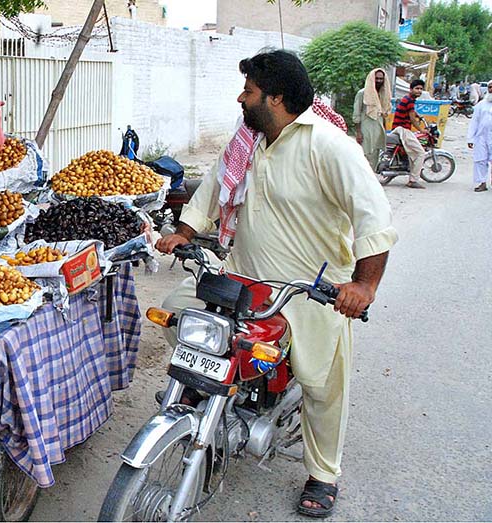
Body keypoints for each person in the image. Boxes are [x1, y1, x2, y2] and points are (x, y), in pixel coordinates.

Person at [156, 50, 397, 519]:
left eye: (248, 91)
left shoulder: (329, 146)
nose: (240, 98)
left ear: (276, 98)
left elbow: (376, 217)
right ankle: (212, 398)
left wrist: (363, 286)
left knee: (322, 383)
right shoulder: (251, 139)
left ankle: (323, 473)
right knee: (176, 310)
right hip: (242, 278)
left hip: (308, 291)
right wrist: (185, 232)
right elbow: (211, 187)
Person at [391, 79, 428, 189]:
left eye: (421, 89)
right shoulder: (410, 101)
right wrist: (421, 130)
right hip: (403, 129)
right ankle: (413, 180)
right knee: (420, 153)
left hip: (398, 128)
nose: (419, 91)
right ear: (411, 89)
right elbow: (411, 118)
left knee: (414, 152)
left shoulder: (408, 99)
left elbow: (411, 112)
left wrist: (418, 116)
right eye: (417, 88)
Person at [353, 68, 392, 168]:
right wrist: (358, 132)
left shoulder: (383, 94)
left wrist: (384, 128)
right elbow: (356, 113)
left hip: (378, 128)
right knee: (364, 154)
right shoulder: (362, 93)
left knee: (375, 154)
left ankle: (371, 177)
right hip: (365, 127)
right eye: (377, 78)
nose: (379, 81)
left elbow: (383, 114)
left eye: (381, 79)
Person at [467, 82, 492, 192]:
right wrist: (470, 138)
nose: (491, 89)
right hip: (481, 137)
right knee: (480, 160)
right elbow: (474, 122)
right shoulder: (481, 105)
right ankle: (482, 183)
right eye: (490, 87)